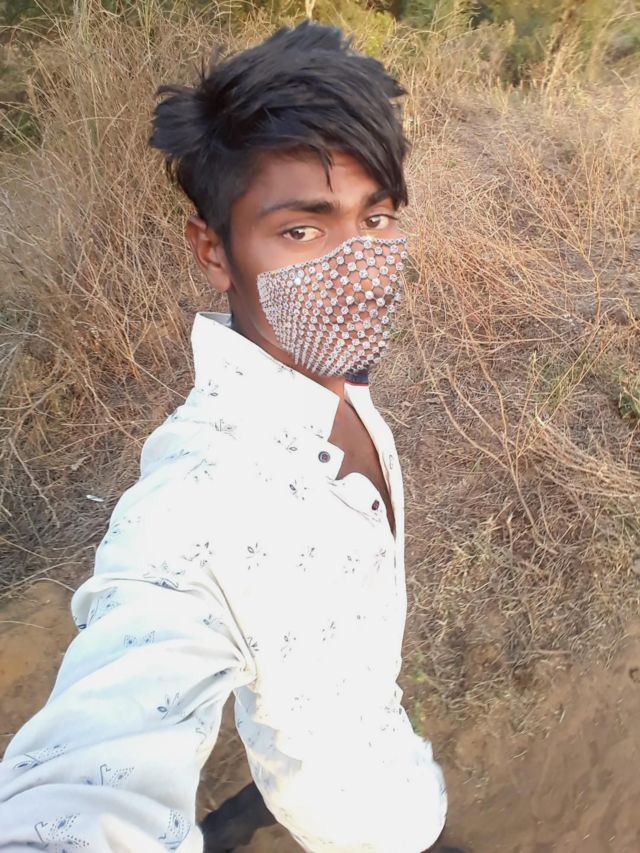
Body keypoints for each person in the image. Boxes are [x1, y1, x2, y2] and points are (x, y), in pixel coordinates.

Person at [0, 20, 460, 853]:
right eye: (302, 231)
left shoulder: (336, 371)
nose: (357, 271)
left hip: (372, 746)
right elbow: (81, 780)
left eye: (378, 219)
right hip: (366, 827)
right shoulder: (196, 501)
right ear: (214, 251)